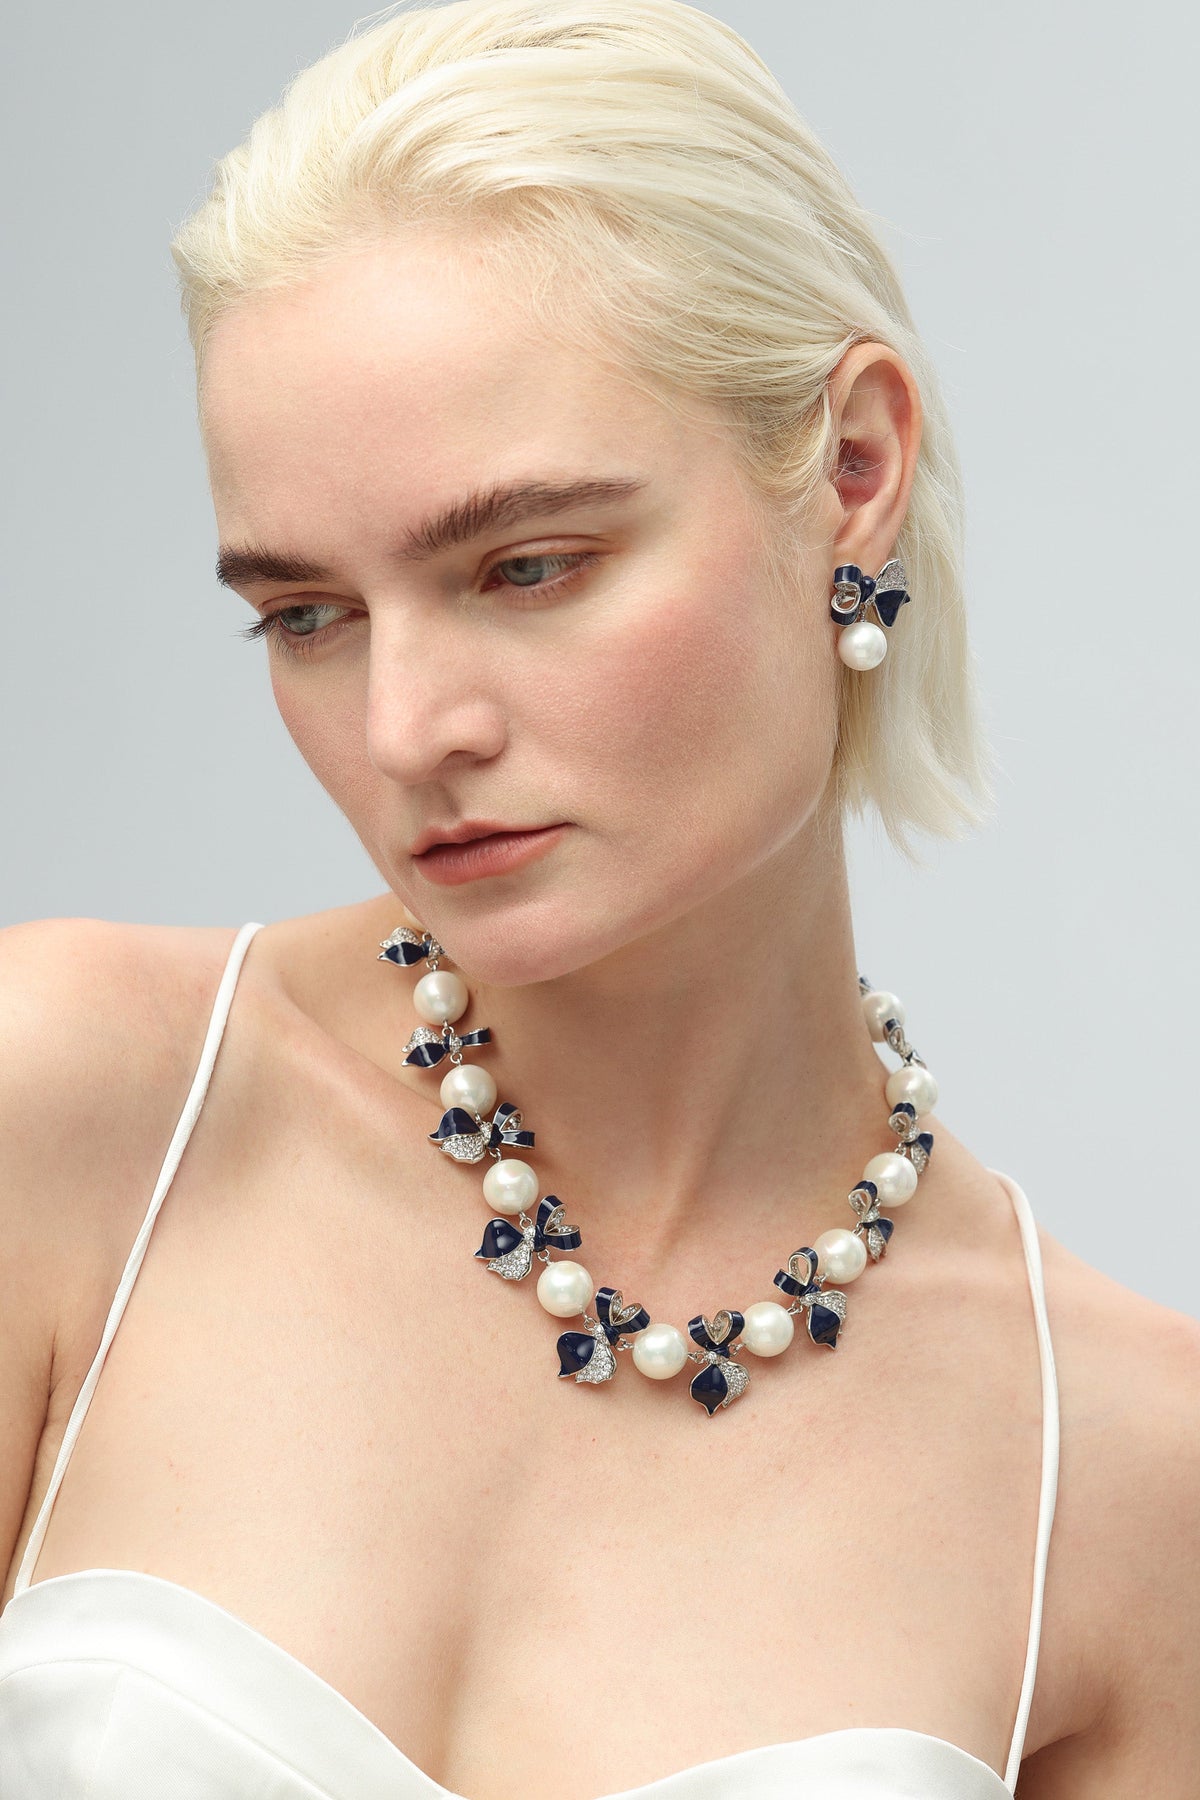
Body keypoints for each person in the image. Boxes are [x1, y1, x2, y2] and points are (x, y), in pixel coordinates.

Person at [1, 0, 1196, 1794]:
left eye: (528, 567)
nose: (410, 730)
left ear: (855, 474)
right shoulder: (74, 1115)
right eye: (307, 615)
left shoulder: (1124, 1477)